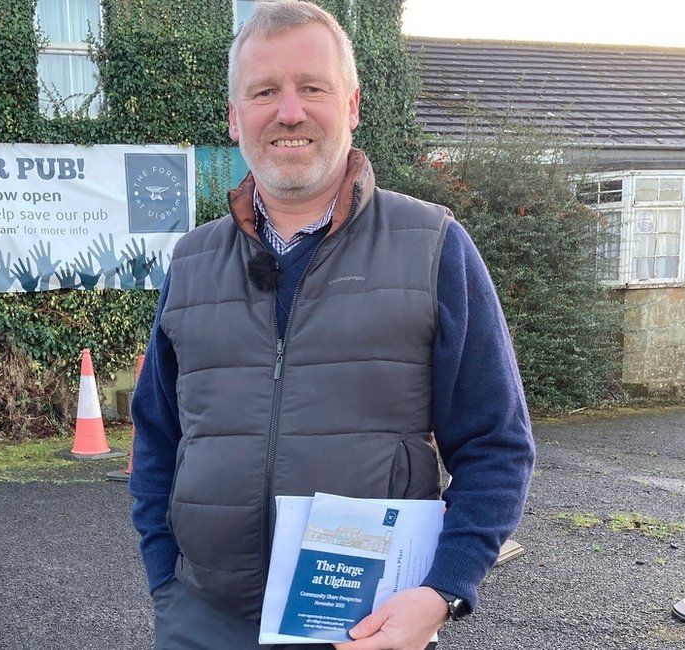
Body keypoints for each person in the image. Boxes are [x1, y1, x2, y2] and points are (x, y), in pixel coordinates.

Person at [129, 2, 536, 648]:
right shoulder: (192, 263)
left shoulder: (433, 246)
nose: (289, 111)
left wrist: (442, 591)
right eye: (264, 91)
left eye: (311, 88)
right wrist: (165, 582)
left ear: (350, 106)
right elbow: (156, 438)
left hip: (366, 630)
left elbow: (497, 444)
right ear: (236, 118)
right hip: (203, 623)